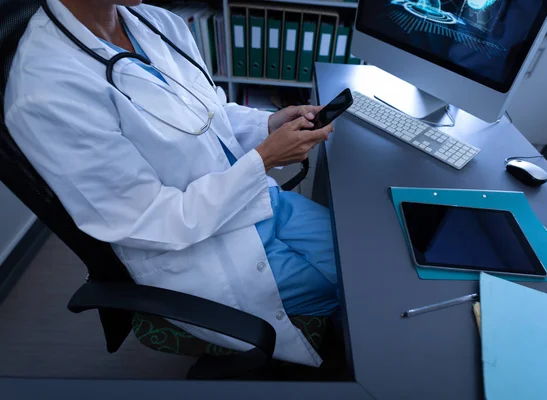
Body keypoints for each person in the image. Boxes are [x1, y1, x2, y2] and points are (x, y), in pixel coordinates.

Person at [4, 0, 337, 367]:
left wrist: (268, 126)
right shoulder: (46, 92)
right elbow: (154, 219)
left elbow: (208, 113)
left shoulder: (158, 23)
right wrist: (266, 158)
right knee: (360, 290)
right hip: (202, 251)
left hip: (255, 202)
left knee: (358, 254)